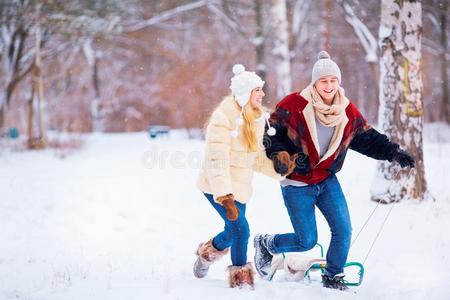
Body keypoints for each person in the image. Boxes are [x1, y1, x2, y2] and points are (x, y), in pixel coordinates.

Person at [253, 51, 415, 290]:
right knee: (306, 240)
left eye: (332, 80)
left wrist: (393, 153)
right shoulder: (294, 104)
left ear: (338, 82)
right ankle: (267, 243)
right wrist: (279, 155)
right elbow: (271, 133)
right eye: (323, 81)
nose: (328, 86)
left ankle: (333, 275)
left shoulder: (346, 111)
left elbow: (367, 138)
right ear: (315, 82)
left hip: (326, 180)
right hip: (297, 182)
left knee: (343, 230)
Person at [194, 64, 288, 288]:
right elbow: (216, 161)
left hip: (241, 189)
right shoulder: (223, 117)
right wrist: (225, 197)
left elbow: (255, 157)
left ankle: (206, 254)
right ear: (246, 92)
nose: (262, 94)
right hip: (217, 187)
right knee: (241, 229)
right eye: (258, 90)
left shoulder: (255, 117)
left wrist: (281, 170)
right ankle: (241, 281)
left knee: (232, 230)